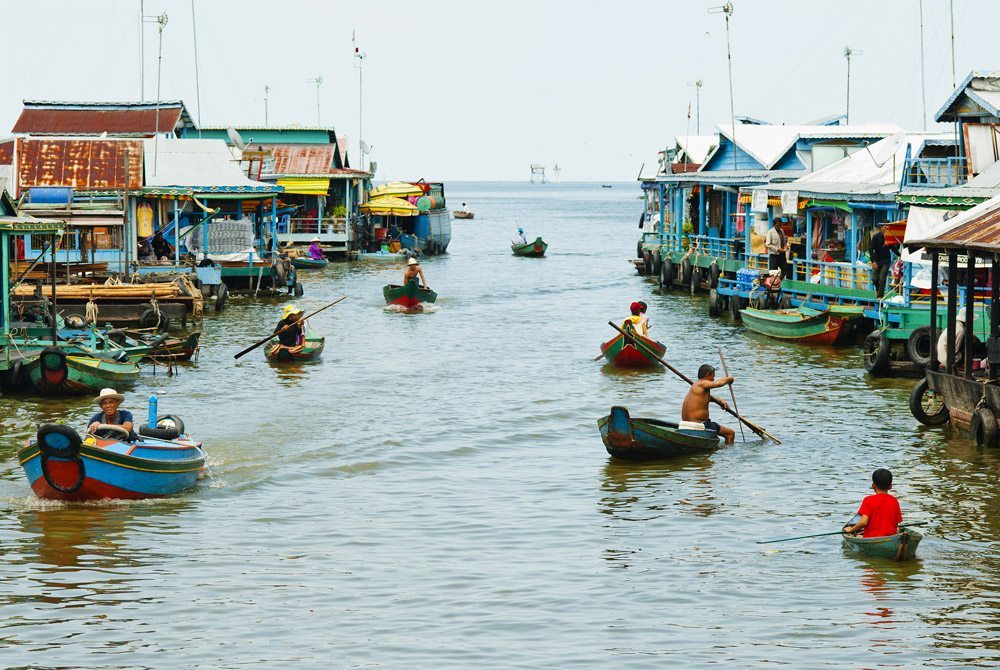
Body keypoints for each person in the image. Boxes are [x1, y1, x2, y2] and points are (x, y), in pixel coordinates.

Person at [680, 364, 736, 445]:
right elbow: (718, 383)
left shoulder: (696, 387)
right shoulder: (702, 383)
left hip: (686, 424)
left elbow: (706, 398)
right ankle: (728, 454)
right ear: (707, 375)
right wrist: (729, 379)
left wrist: (719, 401)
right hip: (699, 425)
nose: (713, 379)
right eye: (713, 376)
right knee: (730, 434)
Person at [842, 468, 902, 538]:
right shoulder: (894, 500)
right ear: (890, 486)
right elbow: (896, 523)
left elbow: (864, 522)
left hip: (871, 538)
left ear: (873, 485)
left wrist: (851, 530)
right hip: (891, 537)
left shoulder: (868, 500)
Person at [869, 226, 896, 299]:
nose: (886, 228)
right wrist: (873, 261)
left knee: (882, 278)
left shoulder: (890, 237)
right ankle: (878, 291)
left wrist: (900, 255)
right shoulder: (876, 237)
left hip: (886, 261)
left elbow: (893, 248)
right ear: (882, 228)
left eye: (888, 227)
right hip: (877, 260)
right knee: (874, 279)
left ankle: (880, 296)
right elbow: (871, 249)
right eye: (885, 227)